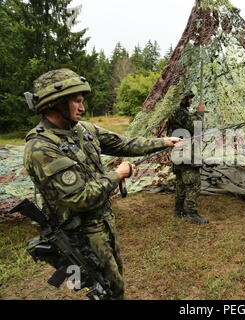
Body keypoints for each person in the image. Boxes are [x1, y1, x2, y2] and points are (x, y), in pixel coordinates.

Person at [23, 68, 183, 299]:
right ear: (55, 103)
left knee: (116, 278)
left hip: (102, 222)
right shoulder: (41, 148)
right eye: (76, 102)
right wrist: (117, 174)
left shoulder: (83, 130)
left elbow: (124, 145)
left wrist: (164, 142)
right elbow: (79, 198)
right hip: (79, 234)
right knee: (106, 289)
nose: (82, 107)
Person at [166, 90, 209, 224]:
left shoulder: (179, 112)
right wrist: (200, 113)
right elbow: (196, 127)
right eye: (188, 98)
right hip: (185, 154)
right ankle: (192, 213)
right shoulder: (179, 112)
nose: (190, 100)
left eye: (191, 98)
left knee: (181, 182)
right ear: (182, 98)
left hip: (179, 153)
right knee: (193, 183)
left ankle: (178, 209)